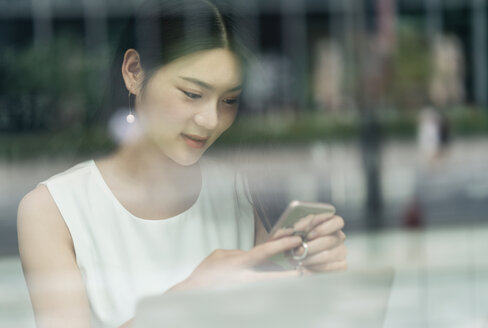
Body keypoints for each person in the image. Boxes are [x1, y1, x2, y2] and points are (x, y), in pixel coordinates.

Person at [17, 1, 347, 327]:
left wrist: (313, 275)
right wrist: (193, 295)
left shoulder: (242, 191)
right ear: (134, 72)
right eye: (191, 93)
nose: (210, 119)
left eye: (229, 100)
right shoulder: (53, 210)